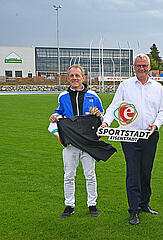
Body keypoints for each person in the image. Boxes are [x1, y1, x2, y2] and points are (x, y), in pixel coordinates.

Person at [101, 53, 163, 225]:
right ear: (134, 67)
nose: (141, 68)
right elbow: (114, 106)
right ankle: (134, 210)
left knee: (146, 171)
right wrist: (106, 122)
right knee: (133, 172)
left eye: (144, 65)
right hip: (129, 136)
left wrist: (156, 124)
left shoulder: (157, 87)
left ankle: (144, 203)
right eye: (138, 65)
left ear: (149, 67)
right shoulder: (125, 85)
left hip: (150, 136)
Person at [49, 64, 103, 218]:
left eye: (77, 75)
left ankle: (92, 204)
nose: (74, 78)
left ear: (83, 78)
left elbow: (102, 115)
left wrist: (99, 114)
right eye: (71, 76)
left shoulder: (93, 95)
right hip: (71, 142)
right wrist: (54, 116)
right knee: (68, 175)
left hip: (88, 142)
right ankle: (69, 205)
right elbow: (59, 112)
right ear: (68, 78)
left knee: (90, 175)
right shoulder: (63, 96)